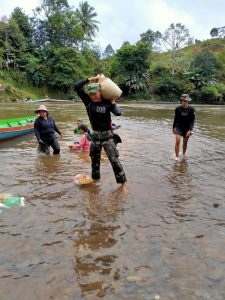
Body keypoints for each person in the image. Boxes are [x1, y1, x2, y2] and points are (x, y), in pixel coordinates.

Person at [74, 75, 127, 188]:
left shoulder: (107, 103)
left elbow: (118, 113)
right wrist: (90, 79)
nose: (92, 95)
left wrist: (113, 101)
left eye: (94, 93)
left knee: (114, 160)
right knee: (94, 161)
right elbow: (77, 86)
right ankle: (96, 182)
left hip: (108, 137)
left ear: (100, 92)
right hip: (95, 137)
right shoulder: (88, 103)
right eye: (91, 93)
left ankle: (123, 184)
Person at [173, 94, 195, 160]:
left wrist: (190, 130)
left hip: (187, 128)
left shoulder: (192, 109)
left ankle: (183, 154)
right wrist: (173, 127)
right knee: (178, 140)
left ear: (188, 101)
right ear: (181, 101)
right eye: (182, 100)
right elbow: (175, 118)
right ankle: (176, 157)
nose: (184, 102)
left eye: (185, 100)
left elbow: (192, 121)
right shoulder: (177, 109)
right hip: (179, 127)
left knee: (185, 143)